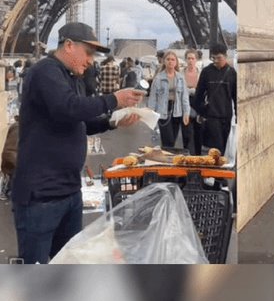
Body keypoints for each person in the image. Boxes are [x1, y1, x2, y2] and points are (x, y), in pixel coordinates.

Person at [11, 22, 143, 263]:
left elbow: (79, 121)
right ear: (69, 46)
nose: (91, 60)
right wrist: (114, 99)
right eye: (88, 52)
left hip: (68, 191)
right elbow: (68, 108)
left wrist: (112, 122)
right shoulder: (45, 71)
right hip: (42, 195)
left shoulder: (72, 77)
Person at [194, 43, 237, 154]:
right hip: (211, 116)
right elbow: (198, 94)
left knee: (223, 147)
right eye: (213, 58)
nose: (216, 61)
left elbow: (236, 96)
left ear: (225, 56)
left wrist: (238, 115)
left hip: (226, 115)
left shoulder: (232, 73)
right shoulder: (206, 72)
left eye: (219, 58)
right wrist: (202, 111)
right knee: (215, 147)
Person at [148, 50, 191, 149]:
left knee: (172, 140)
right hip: (163, 110)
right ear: (164, 61)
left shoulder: (180, 77)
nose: (170, 61)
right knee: (169, 140)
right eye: (168, 59)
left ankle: (167, 159)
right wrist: (150, 113)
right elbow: (153, 97)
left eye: (172, 59)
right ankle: (167, 160)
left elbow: (185, 96)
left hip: (177, 110)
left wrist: (186, 113)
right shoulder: (158, 78)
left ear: (176, 62)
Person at [182, 49, 202, 155]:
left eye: (192, 58)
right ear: (186, 59)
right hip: (185, 103)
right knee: (186, 131)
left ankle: (198, 155)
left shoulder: (201, 73)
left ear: (196, 60)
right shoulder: (181, 73)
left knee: (198, 131)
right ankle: (188, 154)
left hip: (198, 103)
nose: (190, 60)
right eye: (188, 58)